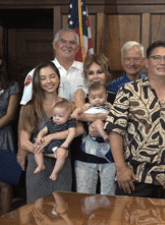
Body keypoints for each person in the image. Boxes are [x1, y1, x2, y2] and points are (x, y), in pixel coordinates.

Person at [105, 40, 165, 198]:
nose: (162, 62)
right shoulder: (128, 91)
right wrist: (120, 168)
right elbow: (115, 131)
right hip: (134, 178)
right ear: (146, 62)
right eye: (156, 57)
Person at [17, 28, 85, 171]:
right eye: (63, 41)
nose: (68, 45)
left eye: (72, 42)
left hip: (79, 145)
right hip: (41, 146)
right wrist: (21, 149)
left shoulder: (86, 72)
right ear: (54, 44)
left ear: (77, 48)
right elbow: (25, 109)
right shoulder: (35, 73)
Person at [18, 60, 83, 203]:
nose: (49, 81)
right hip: (37, 167)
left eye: (52, 76)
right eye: (43, 78)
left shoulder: (69, 105)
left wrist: (51, 137)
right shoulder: (30, 107)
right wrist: (48, 152)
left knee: (61, 213)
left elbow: (79, 129)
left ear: (58, 77)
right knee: (37, 215)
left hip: (62, 167)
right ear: (37, 82)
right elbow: (24, 142)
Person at [73, 53, 116, 195]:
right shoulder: (83, 99)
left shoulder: (115, 98)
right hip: (84, 159)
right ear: (86, 75)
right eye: (91, 73)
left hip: (110, 159)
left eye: (100, 72)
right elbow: (78, 117)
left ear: (107, 74)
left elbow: (121, 123)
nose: (95, 76)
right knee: (85, 204)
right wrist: (101, 116)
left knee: (109, 204)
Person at [34, 100, 76, 181]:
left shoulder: (70, 123)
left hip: (60, 145)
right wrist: (39, 137)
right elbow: (43, 131)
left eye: (61, 116)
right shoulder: (50, 123)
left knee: (62, 153)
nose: (56, 118)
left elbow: (72, 132)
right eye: (54, 115)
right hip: (48, 144)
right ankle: (40, 165)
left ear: (69, 116)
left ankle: (54, 172)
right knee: (37, 148)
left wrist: (66, 143)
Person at [0, 55, 21, 215]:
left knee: (5, 183)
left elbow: (11, 115)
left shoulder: (12, 85)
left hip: (4, 137)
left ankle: (4, 218)